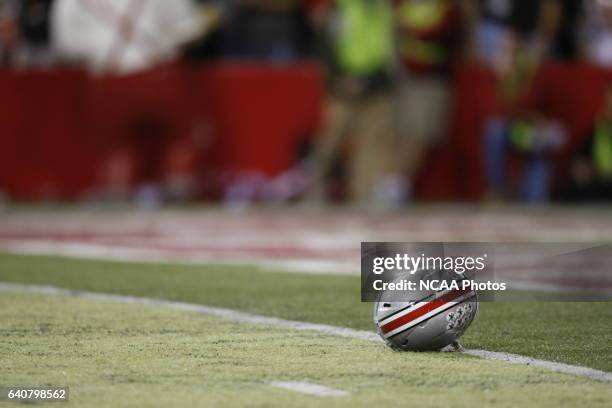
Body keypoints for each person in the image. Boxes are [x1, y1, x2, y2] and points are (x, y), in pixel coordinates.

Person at [308, 0, 394, 204]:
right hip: (343, 84)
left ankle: (363, 193)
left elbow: (388, 49)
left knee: (372, 143)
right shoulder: (340, 8)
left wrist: (379, 80)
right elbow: (326, 45)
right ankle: (313, 189)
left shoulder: (384, 9)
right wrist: (338, 78)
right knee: (330, 139)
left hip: (376, 84)